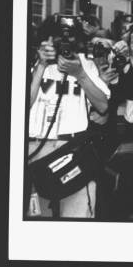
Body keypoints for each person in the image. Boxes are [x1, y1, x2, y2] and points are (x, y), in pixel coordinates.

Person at [27, 15, 111, 218]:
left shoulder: (86, 66)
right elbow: (23, 104)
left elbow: (102, 106)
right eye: (58, 37)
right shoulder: (35, 63)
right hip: (38, 150)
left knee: (77, 216)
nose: (65, 42)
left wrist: (80, 74)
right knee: (37, 219)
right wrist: (40, 66)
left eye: (71, 37)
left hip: (73, 152)